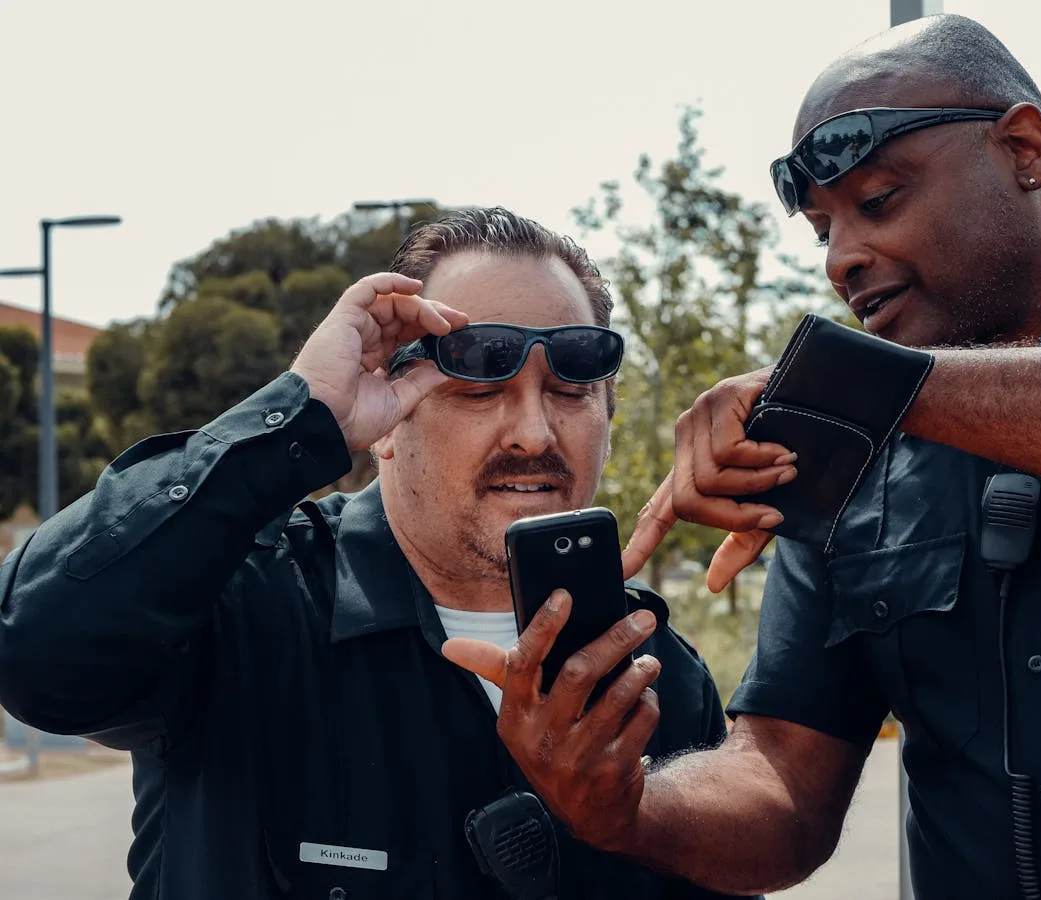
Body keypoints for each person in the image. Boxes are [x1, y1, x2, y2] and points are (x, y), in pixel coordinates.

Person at [443, 15, 1041, 900]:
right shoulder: (844, 459)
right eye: (821, 230)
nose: (844, 257)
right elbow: (784, 786)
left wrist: (868, 388)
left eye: (878, 202)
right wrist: (627, 807)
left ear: (1023, 149)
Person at [0, 208, 746, 900]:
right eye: (478, 378)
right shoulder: (241, 605)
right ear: (383, 420)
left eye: (572, 383)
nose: (533, 433)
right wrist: (302, 413)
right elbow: (32, 655)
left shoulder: (659, 677)